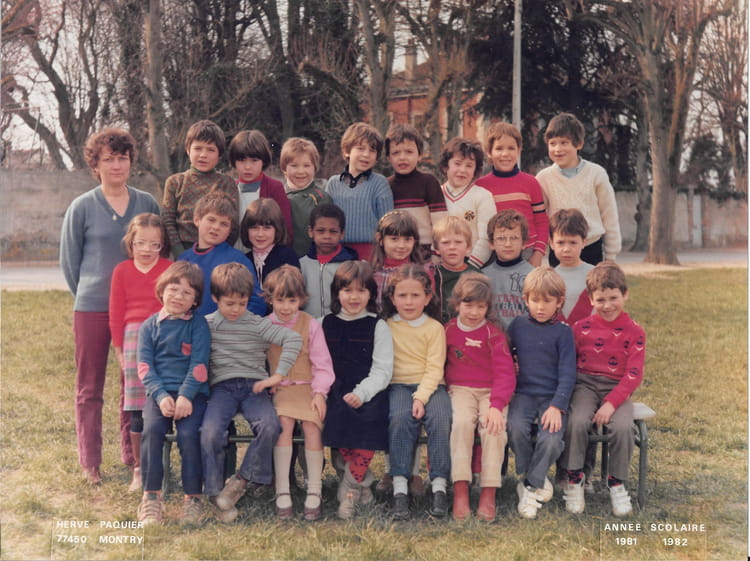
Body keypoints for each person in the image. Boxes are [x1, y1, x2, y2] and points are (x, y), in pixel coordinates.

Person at [60, 127, 160, 485]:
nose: (116, 165)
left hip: (137, 312)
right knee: (89, 387)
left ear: (131, 161)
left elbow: (157, 252)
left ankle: (132, 457)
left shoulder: (147, 203)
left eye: (122, 158)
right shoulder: (82, 206)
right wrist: (90, 295)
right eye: (109, 159)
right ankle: (90, 461)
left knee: (132, 384)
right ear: (96, 164)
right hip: (92, 307)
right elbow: (70, 262)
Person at [201, 263, 303, 523]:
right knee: (210, 432)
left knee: (270, 425)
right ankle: (214, 491)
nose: (236, 309)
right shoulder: (207, 325)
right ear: (215, 298)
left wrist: (278, 375)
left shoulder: (258, 324)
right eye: (229, 303)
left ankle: (241, 481)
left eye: (242, 303)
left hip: (253, 387)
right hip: (222, 389)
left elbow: (293, 339)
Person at [560, 262, 646, 517]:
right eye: (600, 300)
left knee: (623, 427)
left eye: (613, 298)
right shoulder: (580, 328)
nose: (607, 305)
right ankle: (574, 479)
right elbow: (569, 363)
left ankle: (617, 483)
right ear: (590, 299)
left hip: (617, 388)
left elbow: (634, 374)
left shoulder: (635, 331)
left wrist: (611, 403)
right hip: (585, 385)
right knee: (576, 421)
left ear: (625, 294)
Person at [136, 261, 210, 525]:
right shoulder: (149, 327)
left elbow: (199, 364)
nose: (178, 296)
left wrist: (186, 396)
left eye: (186, 293)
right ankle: (151, 496)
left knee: (190, 435)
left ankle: (193, 498)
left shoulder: (198, 325)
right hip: (160, 394)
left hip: (192, 394)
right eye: (173, 289)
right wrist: (160, 395)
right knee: (152, 431)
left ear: (195, 300)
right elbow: (144, 367)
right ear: (162, 290)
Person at [322, 261, 393, 519]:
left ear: (371, 294)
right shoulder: (323, 323)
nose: (354, 297)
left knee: (369, 421)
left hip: (369, 390)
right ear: (336, 293)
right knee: (336, 417)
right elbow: (318, 364)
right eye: (348, 290)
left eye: (361, 291)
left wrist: (362, 393)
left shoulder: (378, 325)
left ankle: (350, 489)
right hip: (335, 388)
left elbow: (383, 370)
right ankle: (362, 484)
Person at [264, 266, 334, 521]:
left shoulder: (310, 325)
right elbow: (256, 359)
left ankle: (314, 488)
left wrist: (320, 393)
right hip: (282, 388)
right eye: (280, 300)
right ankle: (282, 490)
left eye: (291, 301)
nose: (285, 307)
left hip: (309, 387)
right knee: (284, 423)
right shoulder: (265, 326)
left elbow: (323, 364)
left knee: (312, 425)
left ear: (301, 300)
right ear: (270, 299)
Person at [109, 213, 172, 491]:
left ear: (162, 245)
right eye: (140, 243)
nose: (147, 250)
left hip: (165, 337)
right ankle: (139, 468)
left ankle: (162, 463)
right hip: (133, 340)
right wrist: (119, 351)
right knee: (137, 408)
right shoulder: (122, 271)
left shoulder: (170, 268)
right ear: (130, 242)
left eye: (154, 244)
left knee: (163, 403)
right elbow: (115, 313)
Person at [445, 273, 515, 522]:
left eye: (481, 307)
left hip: (491, 391)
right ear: (457, 304)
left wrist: (496, 406)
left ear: (488, 307)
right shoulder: (448, 331)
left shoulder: (493, 334)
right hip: (460, 389)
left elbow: (505, 374)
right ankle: (460, 489)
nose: (474, 312)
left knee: (493, 427)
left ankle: (488, 491)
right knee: (462, 423)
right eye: (468, 305)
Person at [507, 267, 576, 519]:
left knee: (552, 439)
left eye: (547, 301)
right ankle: (535, 478)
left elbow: (568, 373)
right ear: (525, 299)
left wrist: (557, 406)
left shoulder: (563, 332)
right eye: (535, 300)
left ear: (559, 302)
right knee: (515, 428)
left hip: (552, 397)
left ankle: (528, 486)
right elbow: (505, 355)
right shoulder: (517, 326)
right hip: (523, 394)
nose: (540, 307)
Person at [383, 264, 451, 520]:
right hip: (398, 384)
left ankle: (439, 486)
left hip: (432, 385)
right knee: (400, 418)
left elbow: (435, 367)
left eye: (415, 295)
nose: (409, 302)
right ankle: (400, 488)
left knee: (441, 418)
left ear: (427, 297)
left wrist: (421, 397)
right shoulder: (387, 327)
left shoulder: (434, 328)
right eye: (402, 295)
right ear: (392, 298)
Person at [536, 112, 621, 265]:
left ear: (579, 144)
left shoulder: (596, 174)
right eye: (552, 143)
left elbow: (609, 216)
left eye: (564, 143)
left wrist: (611, 256)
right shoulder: (543, 178)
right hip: (559, 250)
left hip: (591, 248)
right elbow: (539, 218)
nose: (557, 149)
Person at [178, 192, 265, 316]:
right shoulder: (183, 259)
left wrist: (233, 324)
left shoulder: (237, 260)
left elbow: (256, 302)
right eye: (211, 220)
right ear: (197, 219)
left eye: (224, 224)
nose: (216, 227)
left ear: (230, 230)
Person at [475, 121, 549, 267]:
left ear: (519, 150)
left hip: (527, 252)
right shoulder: (480, 186)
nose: (505, 154)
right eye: (499, 148)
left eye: (511, 148)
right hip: (493, 254)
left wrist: (538, 254)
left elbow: (541, 221)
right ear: (489, 152)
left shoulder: (531, 183)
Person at [162, 120, 238, 258]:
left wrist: (219, 253)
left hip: (217, 253)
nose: (203, 155)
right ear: (188, 149)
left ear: (219, 154)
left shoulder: (227, 183)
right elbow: (168, 222)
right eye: (198, 148)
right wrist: (180, 254)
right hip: (183, 252)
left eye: (210, 150)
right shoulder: (175, 182)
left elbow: (233, 225)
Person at [326, 122, 394, 259]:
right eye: (360, 148)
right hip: (338, 250)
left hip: (370, 251)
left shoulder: (379, 183)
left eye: (372, 150)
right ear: (347, 151)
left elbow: (388, 223)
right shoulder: (333, 183)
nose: (366, 155)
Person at [385, 123, 447, 258]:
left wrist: (436, 253)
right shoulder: (385, 186)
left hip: (426, 253)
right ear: (389, 158)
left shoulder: (429, 182)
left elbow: (440, 224)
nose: (402, 157)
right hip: (396, 252)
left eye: (409, 152)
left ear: (420, 155)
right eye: (396, 153)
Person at [228, 129, 293, 252]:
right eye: (241, 160)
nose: (247, 167)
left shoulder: (274, 188)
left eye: (254, 160)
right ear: (234, 162)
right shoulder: (229, 189)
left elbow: (285, 228)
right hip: (235, 255)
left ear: (263, 161)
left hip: (266, 255)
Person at [439, 137, 495, 268]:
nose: (462, 170)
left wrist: (470, 267)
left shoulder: (483, 196)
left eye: (469, 165)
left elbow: (486, 237)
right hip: (440, 264)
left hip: (473, 264)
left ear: (475, 170)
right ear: (446, 166)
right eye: (457, 163)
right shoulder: (435, 194)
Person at [299, 203, 359, 318]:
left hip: (341, 324)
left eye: (333, 231)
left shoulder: (351, 266)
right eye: (321, 230)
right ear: (311, 231)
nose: (327, 236)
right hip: (308, 325)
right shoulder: (301, 265)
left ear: (342, 234)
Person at [371, 210, 434, 311]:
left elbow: (429, 306)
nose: (401, 245)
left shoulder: (423, 272)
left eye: (407, 239)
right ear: (380, 239)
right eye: (394, 239)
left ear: (415, 241)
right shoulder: (371, 272)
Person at [481, 210, 534, 332]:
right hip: (492, 339)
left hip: (524, 337)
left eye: (514, 238)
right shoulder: (483, 276)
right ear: (491, 243)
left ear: (524, 243)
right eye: (501, 238)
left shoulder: (533, 276)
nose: (508, 244)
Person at [281, 137, 333, 257]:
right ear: (284, 168)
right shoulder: (277, 195)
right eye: (294, 166)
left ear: (315, 167)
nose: (301, 171)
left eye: (306, 165)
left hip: (311, 260)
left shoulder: (321, 198)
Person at [432, 215, 483, 324]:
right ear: (436, 248)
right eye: (445, 242)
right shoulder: (432, 274)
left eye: (458, 242)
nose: (452, 247)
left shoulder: (477, 276)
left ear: (468, 247)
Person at [240, 198, 300, 289]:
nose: (260, 234)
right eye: (254, 228)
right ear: (246, 229)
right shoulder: (244, 260)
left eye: (267, 228)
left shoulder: (287, 257)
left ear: (277, 229)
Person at [549, 208, 594, 324]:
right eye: (560, 242)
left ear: (584, 242)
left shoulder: (595, 275)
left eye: (573, 242)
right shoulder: (549, 278)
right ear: (551, 243)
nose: (566, 249)